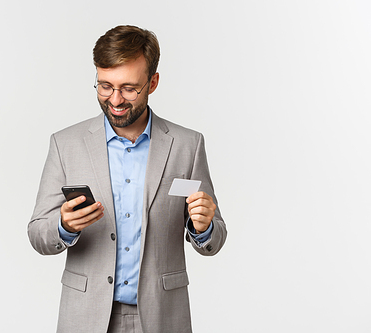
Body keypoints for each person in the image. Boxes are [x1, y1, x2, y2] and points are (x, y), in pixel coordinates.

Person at [28, 25, 227, 333]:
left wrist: (203, 227)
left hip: (163, 317)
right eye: (105, 86)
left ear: (153, 82)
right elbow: (38, 234)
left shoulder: (188, 145)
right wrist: (63, 226)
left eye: (129, 88)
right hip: (86, 316)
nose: (115, 99)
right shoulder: (65, 144)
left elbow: (214, 239)